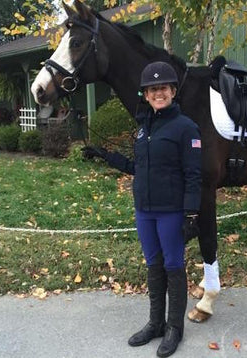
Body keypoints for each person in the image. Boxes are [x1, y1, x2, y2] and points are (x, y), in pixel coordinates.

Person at [82, 61, 201, 358]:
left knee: (173, 267)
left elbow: (194, 175)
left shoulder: (187, 128)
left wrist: (191, 213)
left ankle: (174, 328)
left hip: (171, 211)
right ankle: (155, 323)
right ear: (145, 94)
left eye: (163, 88)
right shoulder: (143, 128)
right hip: (144, 211)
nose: (158, 93)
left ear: (172, 91)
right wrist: (104, 155)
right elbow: (138, 168)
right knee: (152, 266)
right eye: (152, 89)